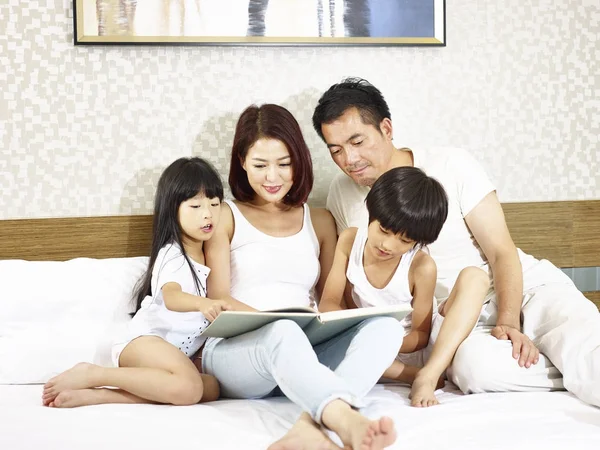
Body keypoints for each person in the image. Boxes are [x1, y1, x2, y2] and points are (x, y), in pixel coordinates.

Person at [312, 77, 600, 407]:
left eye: (357, 141)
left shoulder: (451, 164)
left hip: (526, 289)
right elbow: (349, 281)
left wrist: (508, 322)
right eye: (336, 150)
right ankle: (566, 367)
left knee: (587, 351)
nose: (349, 158)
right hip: (457, 324)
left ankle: (571, 359)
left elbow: (501, 251)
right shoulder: (342, 193)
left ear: (386, 128)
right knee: (475, 372)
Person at [203, 104, 402, 450]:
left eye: (284, 164)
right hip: (238, 355)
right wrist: (278, 321)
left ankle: (310, 425)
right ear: (241, 163)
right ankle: (344, 420)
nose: (272, 177)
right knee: (283, 330)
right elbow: (217, 297)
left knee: (385, 328)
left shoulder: (320, 220)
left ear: (300, 161)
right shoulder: (224, 216)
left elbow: (330, 300)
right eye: (260, 165)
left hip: (302, 354)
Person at [42, 157, 229, 408]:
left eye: (215, 204)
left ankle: (102, 395)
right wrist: (203, 304)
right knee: (191, 387)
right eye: (195, 206)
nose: (208, 214)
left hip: (171, 359)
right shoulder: (172, 253)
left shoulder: (207, 257)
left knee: (212, 387)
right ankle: (95, 374)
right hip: (143, 343)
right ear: (172, 209)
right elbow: (172, 296)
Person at [319, 165, 490, 407]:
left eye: (405, 240)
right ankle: (404, 374)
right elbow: (328, 302)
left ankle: (426, 375)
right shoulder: (349, 241)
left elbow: (420, 336)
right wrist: (361, 339)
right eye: (383, 230)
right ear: (371, 214)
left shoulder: (421, 266)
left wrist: (382, 343)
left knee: (475, 277)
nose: (388, 245)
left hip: (409, 348)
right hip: (364, 345)